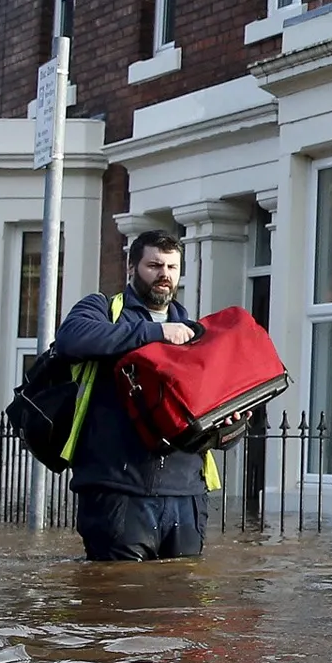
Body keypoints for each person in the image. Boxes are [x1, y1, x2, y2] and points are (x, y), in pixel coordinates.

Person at [53, 229, 220, 562]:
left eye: (172, 268)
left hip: (185, 493)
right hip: (118, 489)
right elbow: (71, 339)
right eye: (154, 265)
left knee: (181, 601)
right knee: (120, 602)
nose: (164, 275)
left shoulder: (195, 332)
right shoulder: (102, 309)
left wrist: (229, 425)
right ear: (131, 268)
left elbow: (207, 410)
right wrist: (156, 333)